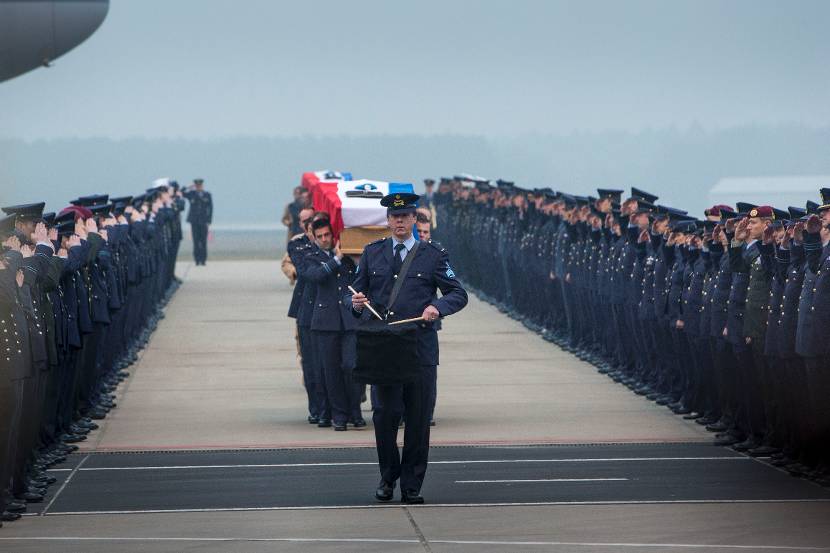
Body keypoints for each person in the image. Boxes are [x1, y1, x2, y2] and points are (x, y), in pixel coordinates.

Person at [348, 191, 468, 504]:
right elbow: (355, 297)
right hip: (384, 349)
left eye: (405, 217)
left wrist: (437, 308)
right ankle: (388, 478)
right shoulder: (372, 253)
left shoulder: (433, 254)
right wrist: (356, 304)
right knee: (384, 416)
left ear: (414, 219)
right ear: (387, 221)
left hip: (419, 348)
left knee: (417, 419)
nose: (399, 222)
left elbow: (458, 293)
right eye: (394, 217)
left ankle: (412, 484)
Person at [303, 218, 363, 431]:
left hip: (348, 321)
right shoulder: (310, 256)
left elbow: (360, 276)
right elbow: (315, 275)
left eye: (327, 235)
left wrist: (352, 259)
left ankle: (354, 410)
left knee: (351, 366)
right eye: (320, 237)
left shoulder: (346, 255)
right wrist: (336, 259)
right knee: (331, 371)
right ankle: (339, 415)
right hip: (325, 322)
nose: (324, 240)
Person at [183, 178, 213, 265]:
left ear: (202, 186)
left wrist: (209, 220)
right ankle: (197, 260)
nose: (199, 187)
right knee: (196, 241)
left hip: (204, 221)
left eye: (200, 185)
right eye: (197, 186)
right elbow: (182, 193)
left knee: (203, 241)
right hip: (194, 221)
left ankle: (203, 260)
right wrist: (188, 187)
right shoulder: (192, 194)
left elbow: (210, 208)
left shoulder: (207, 195)